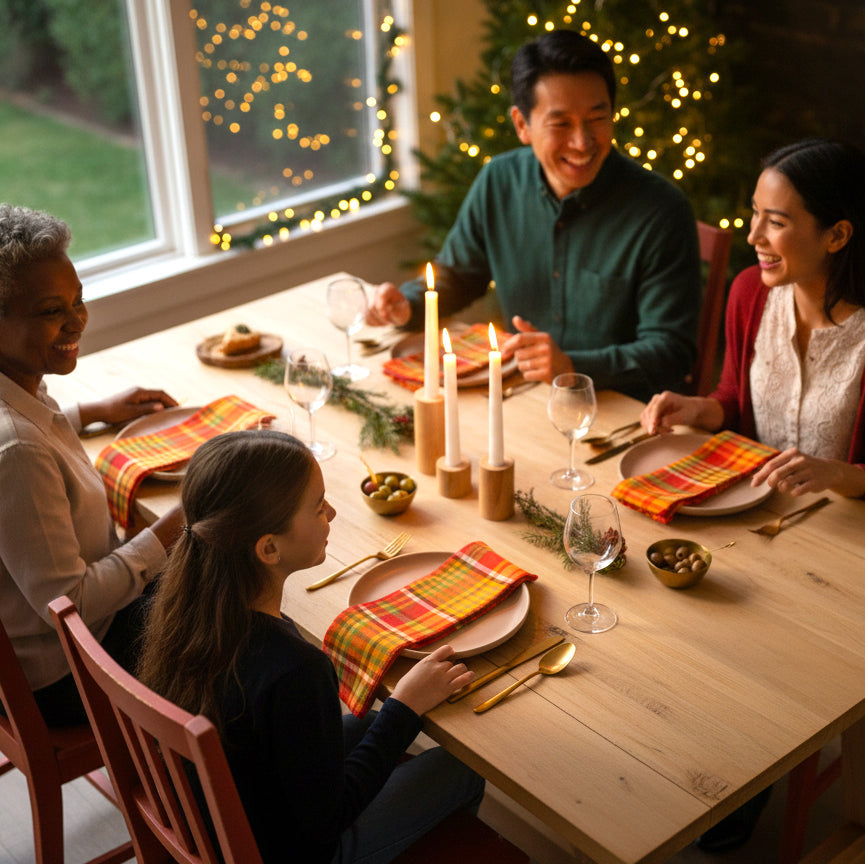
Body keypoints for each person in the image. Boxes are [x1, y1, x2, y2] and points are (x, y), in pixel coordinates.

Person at [137, 429, 485, 864]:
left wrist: (394, 716)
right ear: (268, 548)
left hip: (235, 814)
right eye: (318, 507)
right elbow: (327, 819)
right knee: (460, 765)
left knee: (370, 721)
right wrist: (407, 706)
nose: (333, 512)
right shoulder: (296, 669)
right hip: (296, 851)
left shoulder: (189, 610)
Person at [367, 29, 702, 402]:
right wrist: (408, 304)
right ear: (522, 125)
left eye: (597, 117)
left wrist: (573, 365)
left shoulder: (661, 212)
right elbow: (459, 274)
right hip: (519, 397)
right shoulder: (498, 180)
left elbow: (671, 352)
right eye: (561, 123)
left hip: (618, 412)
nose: (583, 141)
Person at [0, 203, 184, 727]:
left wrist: (92, 411)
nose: (76, 319)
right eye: (49, 310)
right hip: (70, 674)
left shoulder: (17, 391)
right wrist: (170, 530)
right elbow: (73, 603)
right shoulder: (18, 453)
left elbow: (31, 433)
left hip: (48, 644)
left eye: (78, 300)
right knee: (243, 610)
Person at [642, 139, 865, 500]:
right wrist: (697, 409)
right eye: (756, 212)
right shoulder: (749, 293)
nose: (754, 236)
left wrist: (835, 473)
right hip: (752, 510)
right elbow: (733, 399)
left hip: (845, 535)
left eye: (775, 222)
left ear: (836, 235)